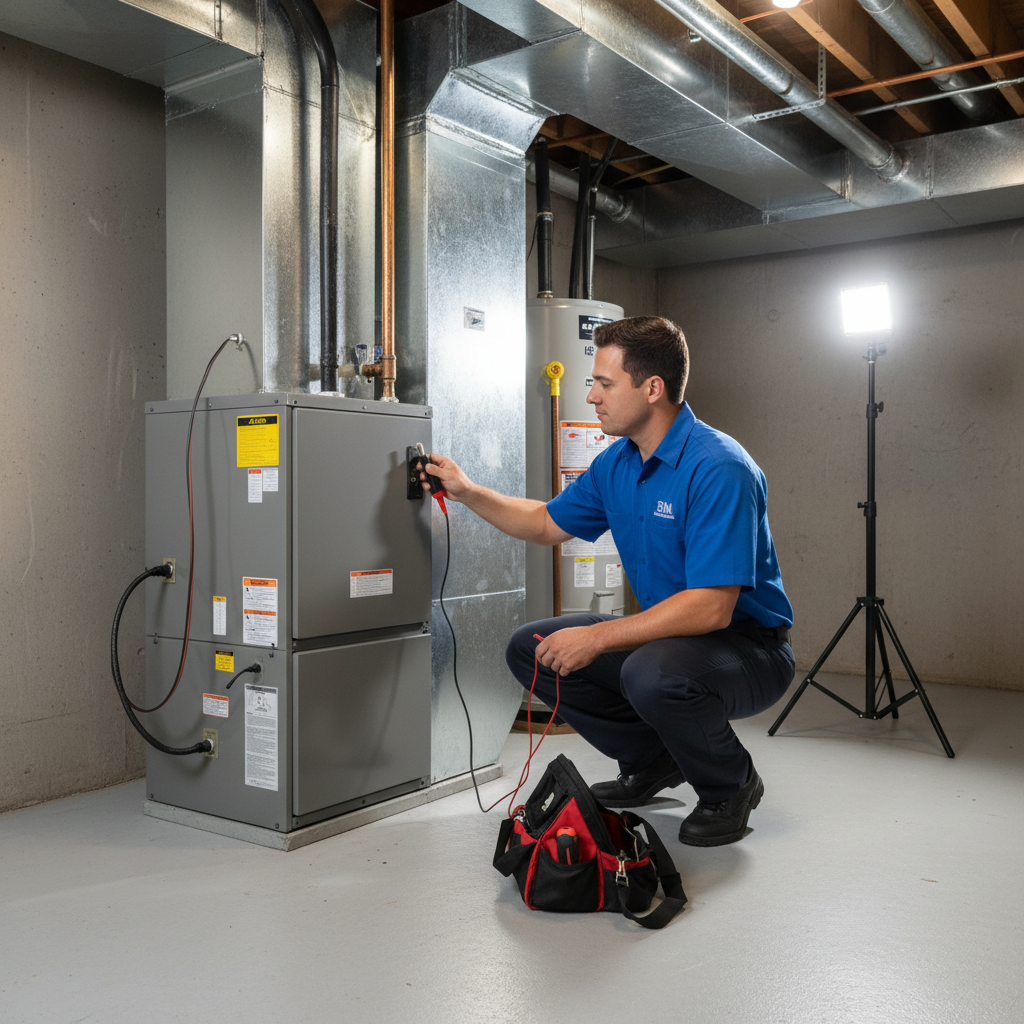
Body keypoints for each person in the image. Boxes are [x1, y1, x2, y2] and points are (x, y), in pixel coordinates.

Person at [420, 315, 795, 847]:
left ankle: (730, 786)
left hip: (748, 647)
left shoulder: (718, 467)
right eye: (592, 382)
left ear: (652, 388)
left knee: (650, 672)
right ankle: (652, 760)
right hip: (672, 639)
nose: (591, 396)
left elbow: (712, 608)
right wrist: (466, 490)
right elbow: (547, 522)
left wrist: (596, 637)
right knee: (532, 648)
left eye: (604, 383)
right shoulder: (616, 463)